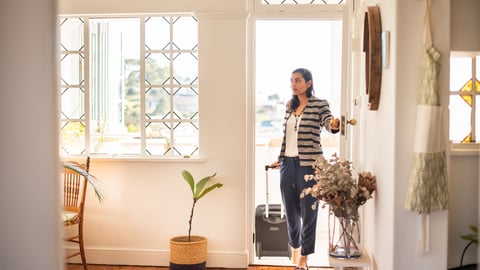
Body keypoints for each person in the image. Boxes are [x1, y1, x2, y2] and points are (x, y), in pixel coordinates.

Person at [270, 68, 340, 269]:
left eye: (298, 80)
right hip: (287, 165)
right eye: (291, 80)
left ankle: (304, 257)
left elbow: (329, 123)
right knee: (290, 210)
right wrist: (280, 158)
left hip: (309, 165)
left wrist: (334, 125)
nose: (293, 84)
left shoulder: (320, 104)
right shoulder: (289, 106)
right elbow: (287, 137)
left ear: (309, 83)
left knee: (309, 211)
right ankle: (295, 248)